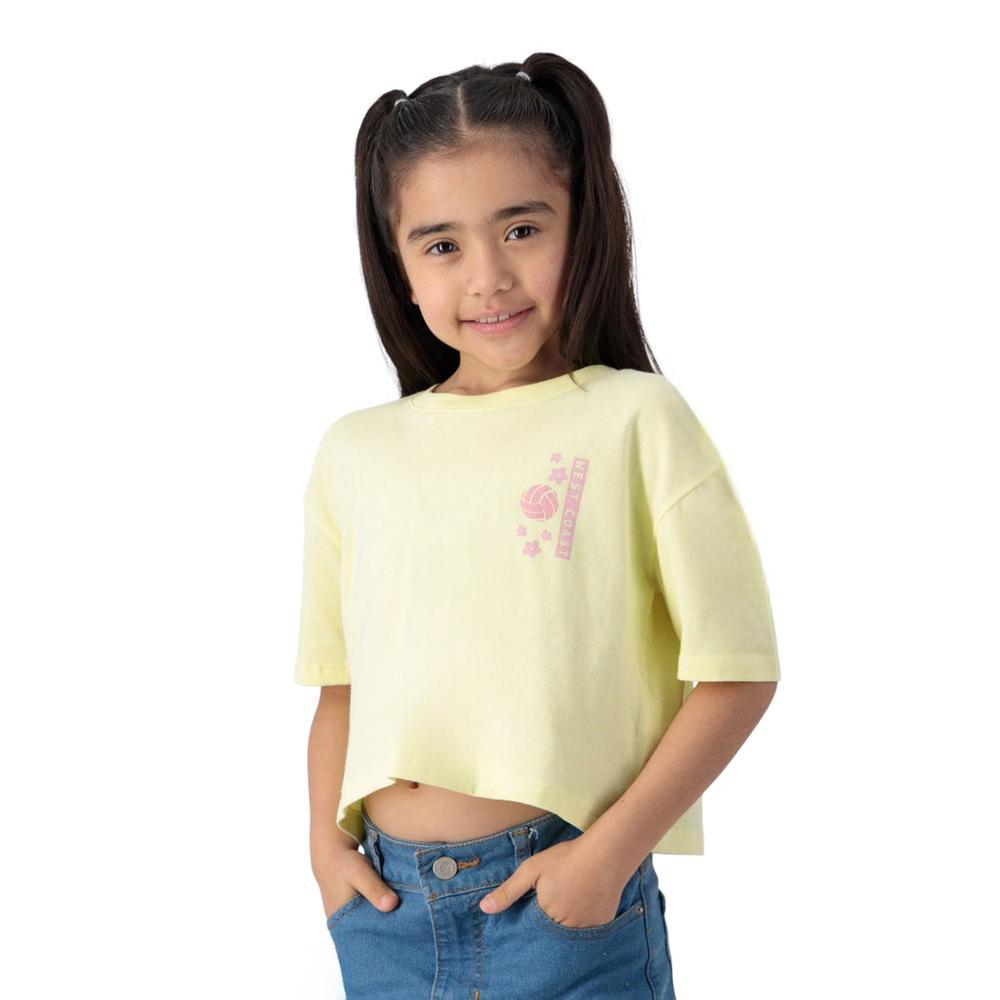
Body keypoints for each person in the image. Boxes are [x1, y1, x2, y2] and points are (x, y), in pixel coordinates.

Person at [293, 51, 780, 999]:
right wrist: (323, 847)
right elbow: (340, 687)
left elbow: (739, 672)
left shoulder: (634, 419)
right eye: (442, 245)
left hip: (565, 912)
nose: (488, 277)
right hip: (386, 921)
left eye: (521, 228)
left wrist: (605, 858)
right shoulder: (356, 451)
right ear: (397, 264)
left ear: (581, 223)